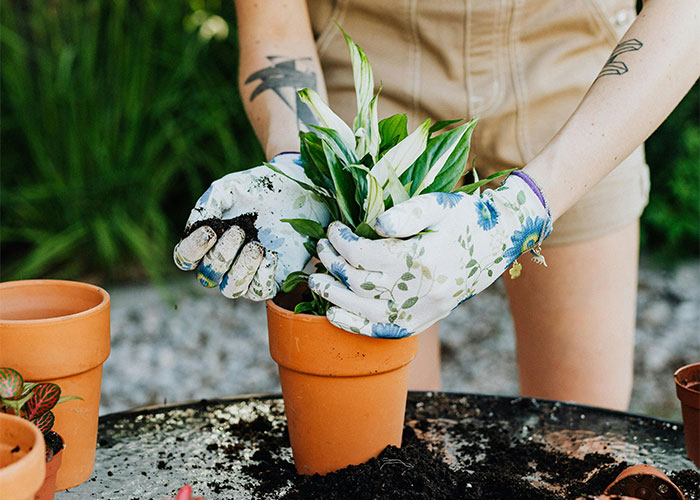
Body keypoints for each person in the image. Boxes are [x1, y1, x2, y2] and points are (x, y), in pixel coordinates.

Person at [174, 0, 699, 410]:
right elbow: (277, 20)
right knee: (384, 453)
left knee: (583, 438)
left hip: (582, 77)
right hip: (372, 82)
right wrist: (301, 163)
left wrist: (522, 208)